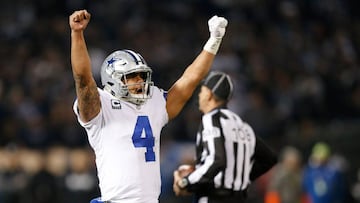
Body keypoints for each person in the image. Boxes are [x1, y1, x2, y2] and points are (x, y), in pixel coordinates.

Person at [69, 9, 228, 203]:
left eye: (142, 76)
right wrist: (77, 34)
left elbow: (190, 80)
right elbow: (83, 79)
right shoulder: (101, 106)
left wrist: (214, 40)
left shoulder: (154, 102)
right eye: (132, 77)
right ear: (113, 79)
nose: (139, 81)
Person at [173, 71, 278, 203]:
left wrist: (185, 182)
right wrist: (240, 177)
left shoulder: (211, 120)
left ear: (209, 94)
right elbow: (270, 158)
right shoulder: (242, 126)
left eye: (202, 90)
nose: (199, 95)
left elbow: (217, 159)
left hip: (214, 198)